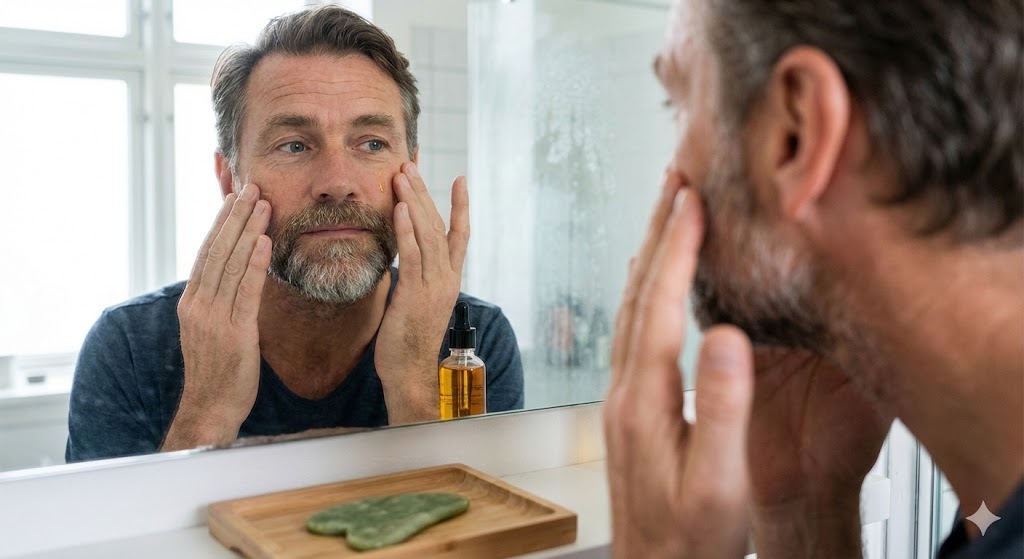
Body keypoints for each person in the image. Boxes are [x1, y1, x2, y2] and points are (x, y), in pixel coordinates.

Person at [604, 0, 1022, 558]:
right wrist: (804, 508)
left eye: (676, 103)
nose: (669, 173)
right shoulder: (990, 514)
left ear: (795, 133)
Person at [66, 6, 524, 463]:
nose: (337, 181)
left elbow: (476, 531)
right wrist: (208, 409)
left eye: (372, 144)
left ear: (413, 170)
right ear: (230, 179)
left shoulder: (474, 345)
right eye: (294, 145)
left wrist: (412, 384)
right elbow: (116, 536)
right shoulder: (128, 347)